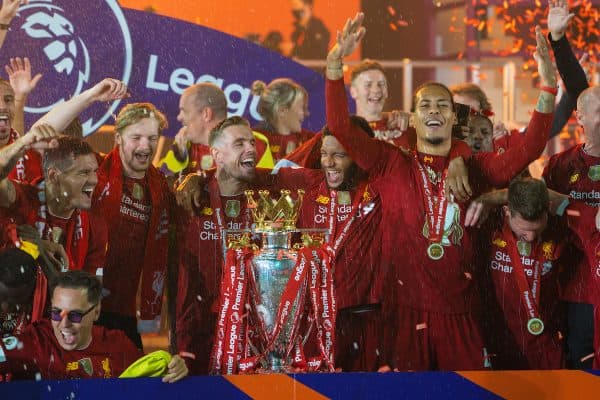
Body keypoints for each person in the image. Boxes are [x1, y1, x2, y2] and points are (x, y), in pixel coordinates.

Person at [325, 13, 556, 370]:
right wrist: (335, 65)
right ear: (413, 118)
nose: (434, 111)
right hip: (402, 312)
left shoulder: (477, 168)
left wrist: (547, 84)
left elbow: (530, 148)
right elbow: (340, 126)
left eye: (442, 106)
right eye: (425, 106)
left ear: (453, 118)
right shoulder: (390, 162)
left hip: (461, 313)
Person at [33, 80, 172, 350]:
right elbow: (41, 138)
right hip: (80, 309)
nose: (145, 145)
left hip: (124, 312)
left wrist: (193, 182)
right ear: (118, 137)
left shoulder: (162, 188)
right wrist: (89, 97)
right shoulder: (93, 171)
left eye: (152, 138)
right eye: (136, 137)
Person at [0, 270, 188, 382]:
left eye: (75, 315)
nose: (63, 325)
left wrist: (175, 368)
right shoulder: (37, 340)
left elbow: (151, 375)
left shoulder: (118, 345)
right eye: (56, 313)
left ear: (96, 312)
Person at [543, 0, 597, 369]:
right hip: (576, 289)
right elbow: (544, 215)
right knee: (579, 371)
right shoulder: (561, 165)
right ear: (579, 117)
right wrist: (557, 40)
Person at [475, 179, 568, 369]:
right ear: (507, 212)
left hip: (545, 343)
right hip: (499, 342)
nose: (531, 237)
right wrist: (487, 199)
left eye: (537, 228)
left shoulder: (562, 225)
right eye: (524, 230)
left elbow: (578, 206)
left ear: (548, 208)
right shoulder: (489, 223)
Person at [0, 130, 107, 274]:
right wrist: (23, 142)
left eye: (95, 171)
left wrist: (44, 258)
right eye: (84, 172)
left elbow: (91, 291)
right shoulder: (21, 199)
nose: (94, 180)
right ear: (53, 176)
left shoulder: (96, 226)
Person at [158, 83, 273, 177]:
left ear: (206, 114)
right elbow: (160, 183)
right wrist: (179, 157)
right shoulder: (184, 144)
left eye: (185, 111)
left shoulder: (255, 143)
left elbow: (268, 192)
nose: (179, 117)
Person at [251, 78, 314, 161]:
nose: (307, 113)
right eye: (302, 108)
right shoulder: (253, 139)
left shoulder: (309, 139)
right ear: (282, 111)